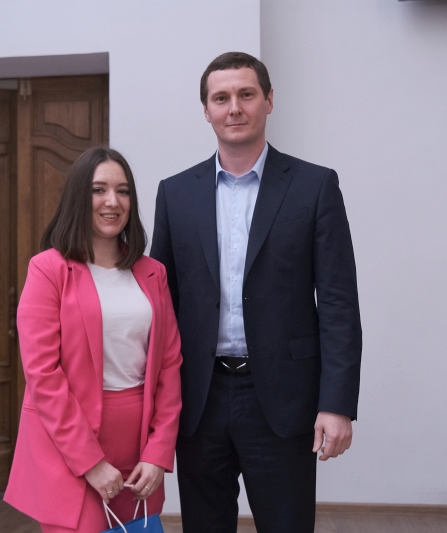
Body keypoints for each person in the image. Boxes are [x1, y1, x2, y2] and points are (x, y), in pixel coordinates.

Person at [150, 52, 362, 532]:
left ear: (268, 100)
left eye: (246, 94)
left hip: (283, 401)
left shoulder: (314, 186)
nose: (234, 108)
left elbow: (338, 304)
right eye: (221, 98)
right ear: (206, 110)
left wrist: (336, 403)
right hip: (199, 399)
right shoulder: (175, 194)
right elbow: (160, 305)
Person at [4, 146, 182, 533]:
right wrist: (90, 462)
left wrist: (158, 452)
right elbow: (42, 375)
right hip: (71, 446)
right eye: (98, 190)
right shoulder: (47, 270)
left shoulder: (152, 272)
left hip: (139, 447)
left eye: (123, 191)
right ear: (78, 198)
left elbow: (169, 366)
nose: (112, 202)